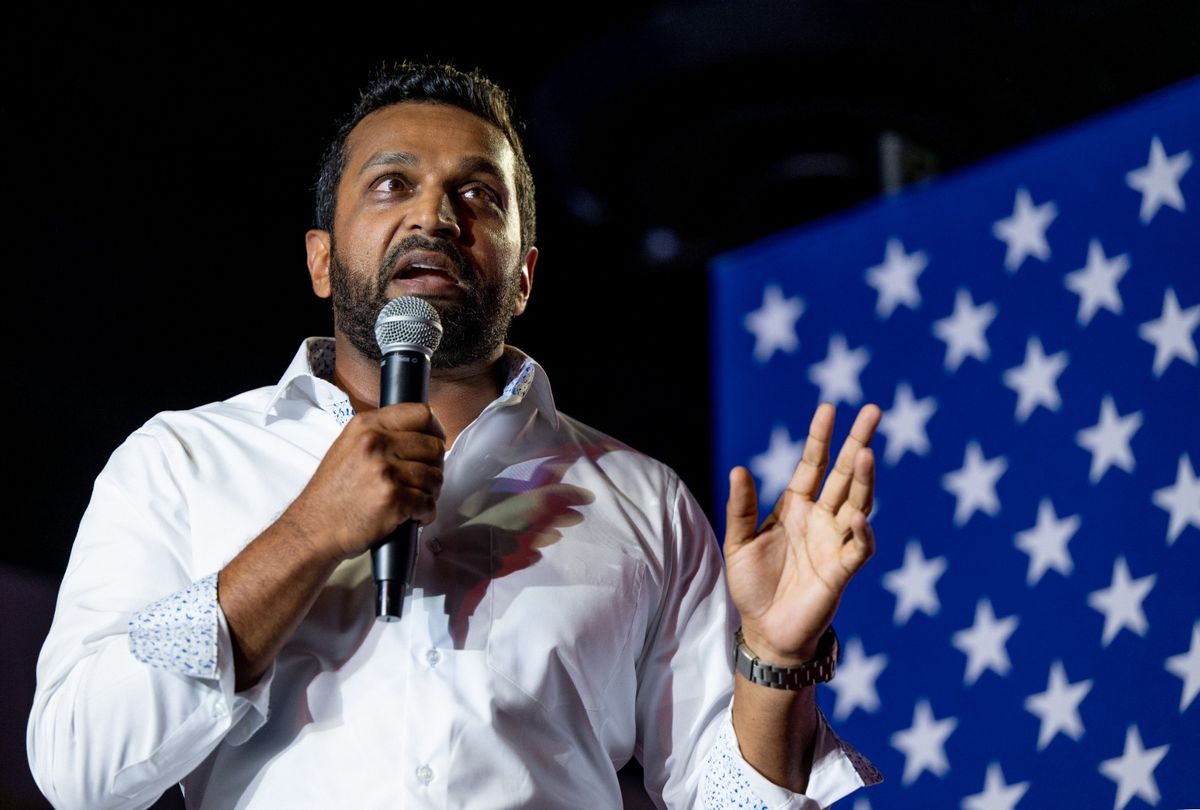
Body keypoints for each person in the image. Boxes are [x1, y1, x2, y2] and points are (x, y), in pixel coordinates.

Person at [28, 62, 883, 809]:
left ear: (524, 276)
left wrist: (773, 658)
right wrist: (308, 534)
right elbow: (80, 767)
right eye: (392, 184)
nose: (435, 216)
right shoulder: (180, 463)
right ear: (322, 259)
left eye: (479, 194)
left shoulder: (640, 500)